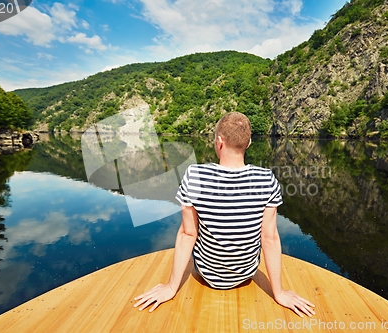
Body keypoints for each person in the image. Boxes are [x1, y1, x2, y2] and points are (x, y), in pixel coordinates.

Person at [134, 112, 315, 318]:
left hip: (206, 274)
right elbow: (270, 238)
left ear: (219, 142)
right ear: (247, 144)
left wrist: (170, 288)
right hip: (246, 274)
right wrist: (279, 293)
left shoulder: (195, 176)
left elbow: (187, 234)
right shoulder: (266, 179)